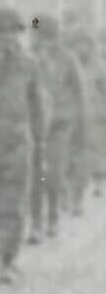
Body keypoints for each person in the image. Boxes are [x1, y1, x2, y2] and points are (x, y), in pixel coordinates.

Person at [0, 7, 47, 282]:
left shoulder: (29, 65)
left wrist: (39, 139)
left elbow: (37, 103)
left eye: (15, 33)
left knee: (13, 203)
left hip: (17, 143)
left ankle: (7, 260)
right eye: (5, 33)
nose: (10, 40)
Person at [28, 12, 86, 245]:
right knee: (34, 174)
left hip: (60, 124)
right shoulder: (29, 59)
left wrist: (79, 124)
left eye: (41, 36)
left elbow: (80, 92)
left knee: (53, 172)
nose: (38, 42)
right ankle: (36, 222)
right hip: (35, 124)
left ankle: (52, 216)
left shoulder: (67, 59)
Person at [62, 13, 106, 209]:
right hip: (71, 116)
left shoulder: (99, 66)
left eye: (85, 44)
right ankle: (70, 194)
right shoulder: (69, 65)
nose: (82, 48)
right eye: (77, 44)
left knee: (91, 153)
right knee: (69, 156)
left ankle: (87, 188)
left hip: (94, 116)